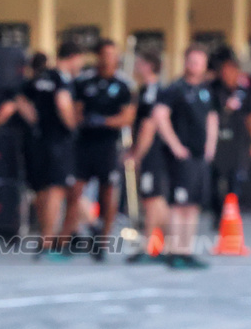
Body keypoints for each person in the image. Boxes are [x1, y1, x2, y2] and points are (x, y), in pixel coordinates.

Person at [152, 45, 217, 269]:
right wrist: (175, 145)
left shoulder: (206, 90)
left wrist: (210, 146)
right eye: (191, 61)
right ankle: (174, 251)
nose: (195, 65)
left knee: (193, 205)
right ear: (185, 62)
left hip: (200, 156)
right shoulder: (174, 89)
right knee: (179, 205)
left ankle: (186, 250)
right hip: (182, 156)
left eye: (199, 61)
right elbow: (159, 117)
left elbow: (211, 117)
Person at [71, 39, 135, 260]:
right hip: (84, 144)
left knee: (108, 194)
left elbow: (127, 117)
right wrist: (82, 121)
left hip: (108, 145)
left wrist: (105, 121)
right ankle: (72, 233)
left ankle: (102, 242)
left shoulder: (123, 84)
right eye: (105, 54)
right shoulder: (84, 81)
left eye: (113, 55)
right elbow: (76, 111)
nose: (109, 59)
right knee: (75, 190)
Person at [26, 43, 83, 259]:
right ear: (73, 57)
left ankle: (45, 239)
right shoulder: (61, 79)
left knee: (42, 190)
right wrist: (73, 127)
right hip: (58, 142)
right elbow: (63, 103)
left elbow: (19, 99)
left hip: (38, 141)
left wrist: (36, 121)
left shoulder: (41, 77)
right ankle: (48, 244)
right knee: (56, 190)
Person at [124, 51, 169, 263]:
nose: (136, 66)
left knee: (151, 199)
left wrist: (137, 153)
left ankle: (149, 246)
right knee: (155, 199)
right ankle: (170, 244)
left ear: (149, 66)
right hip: (149, 151)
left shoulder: (154, 91)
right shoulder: (143, 91)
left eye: (140, 63)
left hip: (153, 152)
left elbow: (149, 126)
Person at [208, 48, 251, 220]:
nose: (228, 74)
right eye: (224, 71)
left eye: (231, 70)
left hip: (238, 141)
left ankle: (232, 214)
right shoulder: (213, 90)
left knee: (236, 177)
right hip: (218, 140)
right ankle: (217, 213)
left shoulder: (244, 92)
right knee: (216, 177)